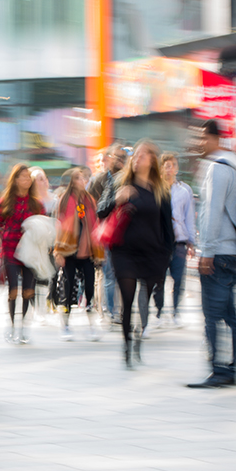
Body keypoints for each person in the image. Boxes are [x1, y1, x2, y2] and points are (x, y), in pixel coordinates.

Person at [97, 140, 173, 369]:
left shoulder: (160, 191)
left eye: (144, 155)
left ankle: (138, 335)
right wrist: (117, 198)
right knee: (128, 298)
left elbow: (167, 228)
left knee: (144, 301)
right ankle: (127, 346)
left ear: (152, 161)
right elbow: (101, 210)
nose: (138, 158)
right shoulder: (121, 182)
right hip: (124, 251)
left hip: (152, 253)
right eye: (136, 154)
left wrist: (166, 258)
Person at [188, 120, 236, 388]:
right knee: (233, 314)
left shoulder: (216, 167)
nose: (200, 143)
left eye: (202, 137)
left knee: (212, 314)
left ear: (214, 138)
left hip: (219, 253)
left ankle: (218, 370)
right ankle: (234, 369)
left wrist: (207, 252)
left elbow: (212, 211)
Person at [0, 164, 44, 344]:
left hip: (31, 251)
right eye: (22, 176)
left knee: (28, 291)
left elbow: (44, 225)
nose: (26, 180)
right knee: (14, 289)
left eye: (28, 177)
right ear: (15, 180)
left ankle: (22, 327)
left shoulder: (37, 204)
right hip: (10, 249)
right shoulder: (6, 201)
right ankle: (12, 324)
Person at [53, 168, 102, 341]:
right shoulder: (65, 201)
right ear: (73, 181)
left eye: (84, 178)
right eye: (79, 178)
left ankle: (92, 325)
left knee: (90, 288)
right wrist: (58, 250)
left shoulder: (90, 201)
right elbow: (59, 226)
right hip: (69, 251)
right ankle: (65, 324)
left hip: (87, 251)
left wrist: (98, 250)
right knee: (68, 290)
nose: (83, 181)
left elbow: (94, 224)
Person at [147, 152, 194, 330]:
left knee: (179, 279)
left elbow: (189, 217)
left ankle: (175, 312)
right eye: (166, 165)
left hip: (179, 241)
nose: (170, 169)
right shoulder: (154, 189)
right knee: (159, 279)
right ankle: (158, 312)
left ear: (177, 168)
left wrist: (191, 240)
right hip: (159, 242)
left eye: (173, 165)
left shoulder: (184, 191)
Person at [90, 145, 128, 324]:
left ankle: (119, 310)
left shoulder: (130, 178)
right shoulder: (101, 180)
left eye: (124, 157)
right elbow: (96, 208)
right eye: (117, 156)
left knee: (124, 274)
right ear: (110, 158)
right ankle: (109, 311)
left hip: (128, 232)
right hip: (108, 232)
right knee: (109, 273)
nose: (121, 160)